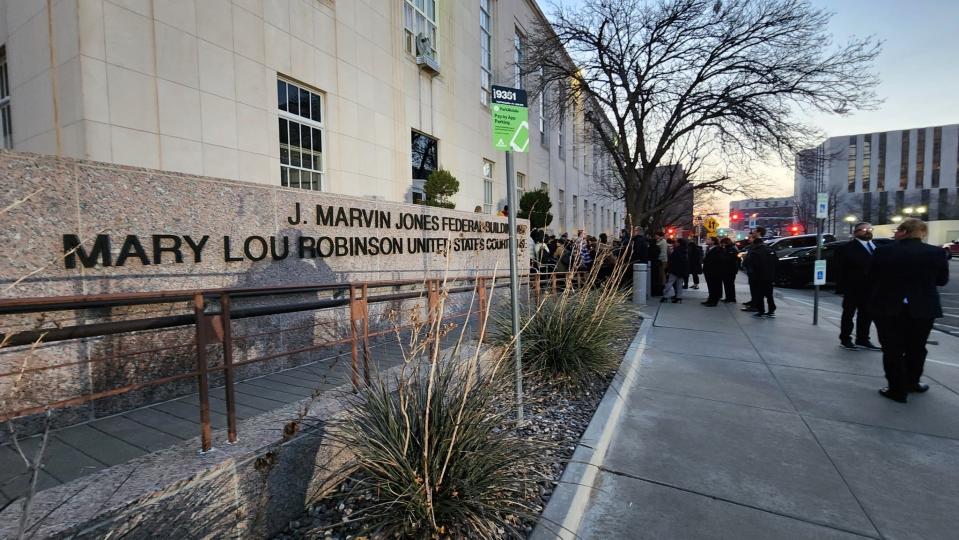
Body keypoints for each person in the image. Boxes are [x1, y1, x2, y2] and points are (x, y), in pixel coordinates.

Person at [869, 218, 950, 403]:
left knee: (892, 349)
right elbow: (941, 280)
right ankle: (912, 382)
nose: (895, 233)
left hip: (888, 307)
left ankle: (896, 389)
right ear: (921, 233)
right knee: (917, 348)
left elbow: (872, 276)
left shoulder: (884, 251)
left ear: (904, 231)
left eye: (897, 230)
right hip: (923, 308)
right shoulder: (936, 253)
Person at [835, 222, 881, 351]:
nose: (868, 231)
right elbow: (840, 269)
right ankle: (845, 339)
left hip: (872, 288)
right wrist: (841, 287)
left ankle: (863, 339)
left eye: (870, 229)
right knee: (849, 314)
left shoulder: (877, 247)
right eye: (864, 229)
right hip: (853, 287)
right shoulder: (846, 248)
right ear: (856, 232)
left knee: (867, 315)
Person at [746, 235, 777, 318]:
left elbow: (753, 265)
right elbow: (776, 263)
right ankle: (771, 310)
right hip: (769, 276)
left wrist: (752, 274)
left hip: (758, 277)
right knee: (769, 294)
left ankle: (761, 311)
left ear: (755, 244)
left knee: (759, 294)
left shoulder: (755, 252)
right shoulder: (771, 250)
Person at [741, 226, 766, 311]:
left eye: (755, 232)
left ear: (759, 233)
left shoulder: (760, 243)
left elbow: (757, 256)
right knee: (753, 287)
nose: (753, 233)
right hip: (752, 269)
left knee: (756, 288)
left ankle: (755, 305)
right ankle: (753, 301)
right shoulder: (755, 242)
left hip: (755, 270)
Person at [662, 238, 689, 303]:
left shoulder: (676, 250)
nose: (675, 243)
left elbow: (672, 260)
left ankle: (665, 296)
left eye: (676, 242)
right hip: (682, 270)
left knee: (669, 283)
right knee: (679, 284)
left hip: (674, 270)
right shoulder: (685, 250)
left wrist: (668, 268)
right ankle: (678, 297)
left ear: (679, 243)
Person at [701, 236, 723, 306]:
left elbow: (717, 261)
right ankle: (710, 299)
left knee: (714, 286)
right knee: (710, 286)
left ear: (713, 241)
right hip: (708, 271)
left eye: (708, 239)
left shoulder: (717, 249)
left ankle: (713, 301)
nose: (706, 240)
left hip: (714, 271)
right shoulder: (709, 248)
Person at [720, 237, 739, 302]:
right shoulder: (730, 248)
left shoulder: (732, 249)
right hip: (728, 269)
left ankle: (731, 298)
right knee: (728, 284)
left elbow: (729, 259)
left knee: (729, 284)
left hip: (730, 270)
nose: (723, 245)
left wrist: (722, 256)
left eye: (723, 243)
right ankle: (729, 297)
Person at [651, 231, 668, 296]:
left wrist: (659, 259)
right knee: (661, 273)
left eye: (656, 235)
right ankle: (662, 285)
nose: (655, 236)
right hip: (662, 259)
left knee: (662, 274)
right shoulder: (661, 241)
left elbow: (663, 252)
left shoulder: (662, 242)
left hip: (662, 260)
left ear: (659, 235)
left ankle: (662, 286)